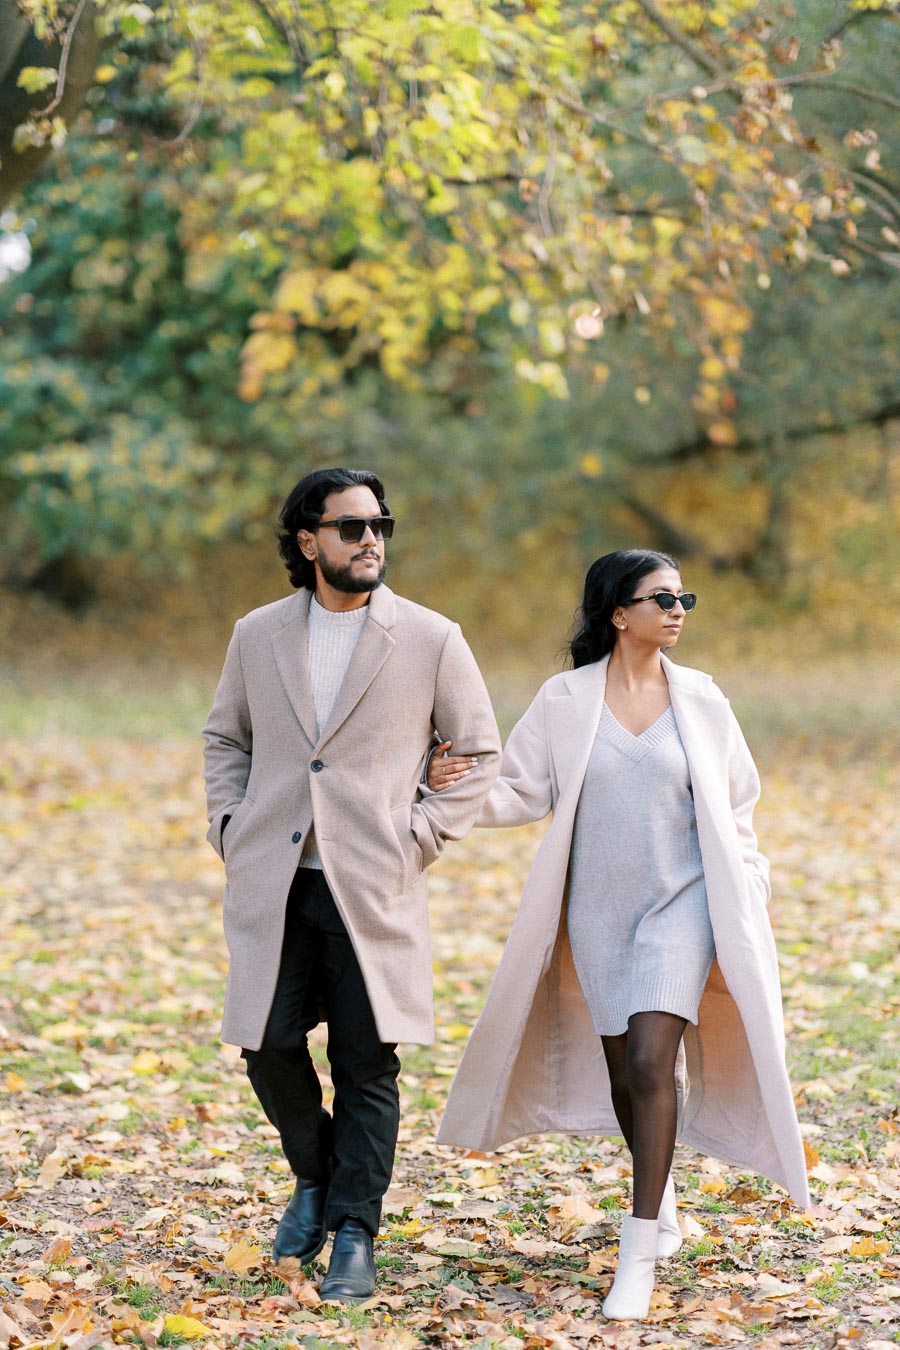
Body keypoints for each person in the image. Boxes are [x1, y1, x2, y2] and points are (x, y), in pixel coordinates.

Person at [427, 549, 810, 1321]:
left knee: (649, 1055)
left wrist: (751, 885)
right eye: (660, 598)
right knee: (623, 1074)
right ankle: (659, 1194)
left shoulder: (704, 699)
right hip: (597, 910)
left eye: (683, 598)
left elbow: (738, 808)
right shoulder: (566, 700)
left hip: (685, 903)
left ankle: (637, 1251)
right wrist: (447, 784)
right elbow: (522, 790)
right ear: (617, 612)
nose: (677, 611)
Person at [203, 467, 500, 1303]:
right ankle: (318, 1179)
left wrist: (420, 836)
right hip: (274, 877)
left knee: (368, 1065)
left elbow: (476, 752)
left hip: (375, 882)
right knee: (265, 1046)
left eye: (380, 525)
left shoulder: (433, 638)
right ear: (308, 541)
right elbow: (224, 738)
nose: (371, 539)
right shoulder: (255, 634)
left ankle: (355, 1234)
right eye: (350, 527)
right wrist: (229, 825)